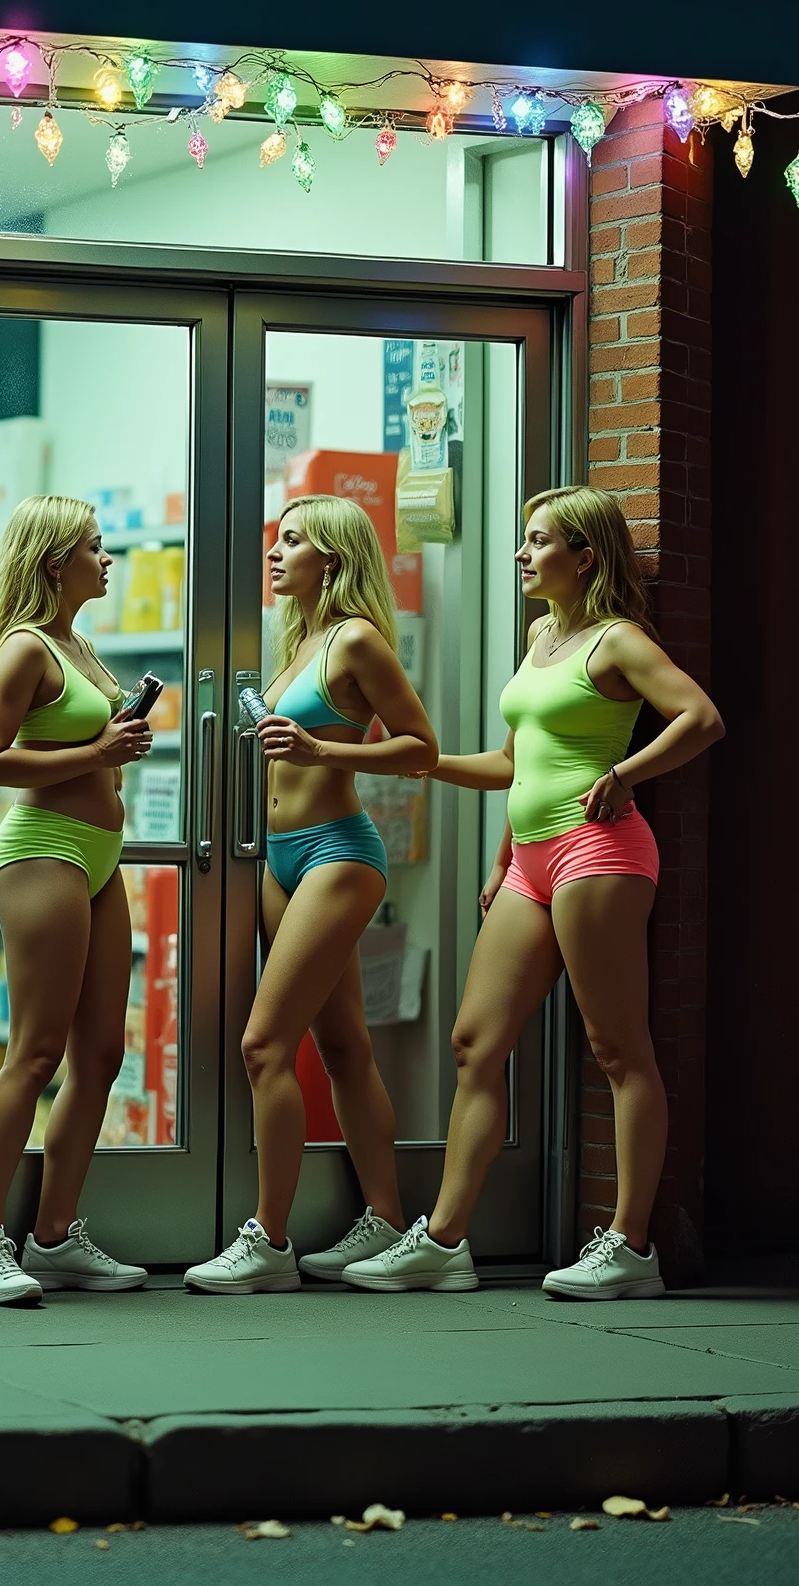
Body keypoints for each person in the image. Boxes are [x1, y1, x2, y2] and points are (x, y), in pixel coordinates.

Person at [344, 486, 724, 1300]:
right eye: (523, 540)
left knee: (619, 1050)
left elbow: (700, 717)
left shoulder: (617, 642)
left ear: (584, 557)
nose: (521, 554)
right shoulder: (543, 635)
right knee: (474, 1044)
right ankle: (444, 1243)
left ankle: (631, 1246)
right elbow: (515, 765)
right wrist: (443, 786)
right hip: (530, 861)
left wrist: (626, 774)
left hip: (601, 852)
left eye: (538, 541)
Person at [187, 496, 437, 1293]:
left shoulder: (356, 639)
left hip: (338, 853)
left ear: (331, 557)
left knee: (264, 1046)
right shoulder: (298, 642)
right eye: (276, 538)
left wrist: (328, 749)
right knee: (344, 1048)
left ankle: (269, 1242)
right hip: (279, 859)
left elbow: (421, 748)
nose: (275, 552)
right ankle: (387, 1220)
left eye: (292, 540)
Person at [0, 496, 156, 1305]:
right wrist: (98, 750)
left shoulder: (80, 643)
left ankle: (56, 1236)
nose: (108, 561)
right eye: (95, 548)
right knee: (34, 1054)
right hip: (43, 852)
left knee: (101, 1054)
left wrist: (112, 750)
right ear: (52, 562)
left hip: (98, 858)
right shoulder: (26, 649)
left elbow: (83, 751)